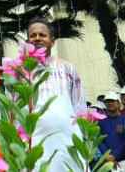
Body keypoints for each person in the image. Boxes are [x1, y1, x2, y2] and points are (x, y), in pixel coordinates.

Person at [27, 18, 85, 172]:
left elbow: (79, 106)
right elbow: (15, 113)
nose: (37, 38)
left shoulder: (68, 68)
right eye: (33, 35)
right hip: (36, 142)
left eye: (42, 35)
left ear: (52, 41)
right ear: (27, 42)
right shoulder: (21, 72)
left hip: (68, 141)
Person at [97, 90, 125, 166]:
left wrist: (115, 156)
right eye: (107, 101)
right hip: (107, 160)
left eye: (112, 101)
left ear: (118, 103)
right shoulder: (101, 122)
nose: (110, 103)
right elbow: (100, 141)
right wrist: (107, 156)